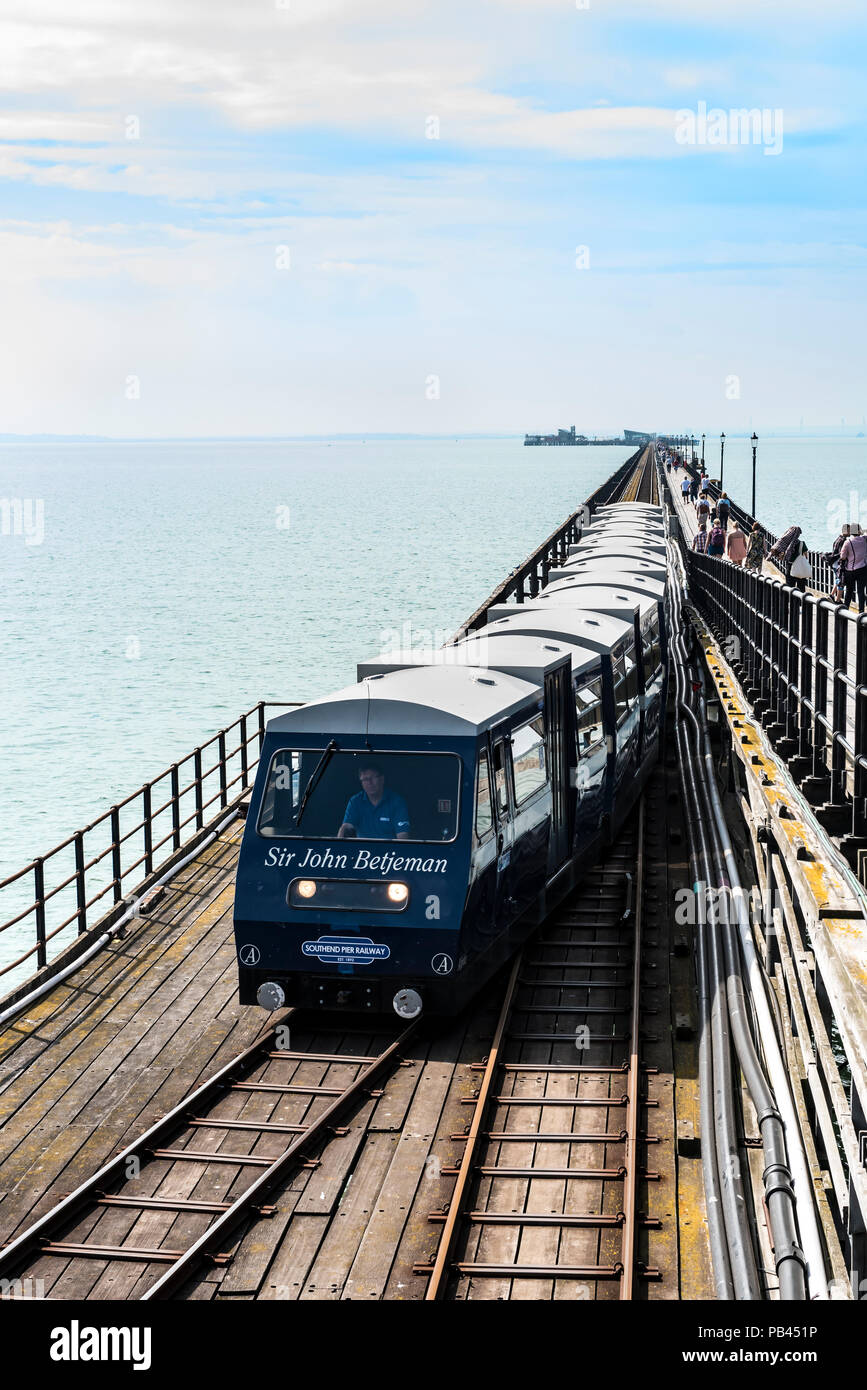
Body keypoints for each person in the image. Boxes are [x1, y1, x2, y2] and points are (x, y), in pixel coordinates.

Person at [338, 763, 410, 839]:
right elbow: (346, 827)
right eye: (365, 779)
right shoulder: (355, 801)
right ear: (361, 782)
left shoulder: (397, 802)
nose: (369, 782)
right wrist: (339, 846)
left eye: (373, 778)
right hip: (362, 850)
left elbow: (403, 835)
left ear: (382, 779)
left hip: (389, 850)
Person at [841, 523, 867, 613]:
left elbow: (843, 556)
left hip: (850, 570)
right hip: (863, 569)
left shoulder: (848, 542)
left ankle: (845, 609)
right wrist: (862, 531)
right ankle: (861, 611)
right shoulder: (864, 539)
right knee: (861, 591)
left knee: (849, 591)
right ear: (859, 530)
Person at [827, 523, 850, 601]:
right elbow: (842, 554)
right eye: (849, 530)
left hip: (834, 563)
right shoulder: (843, 540)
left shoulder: (838, 539)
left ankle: (832, 595)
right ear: (846, 531)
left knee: (838, 579)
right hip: (839, 564)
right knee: (841, 581)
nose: (850, 533)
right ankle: (837, 600)